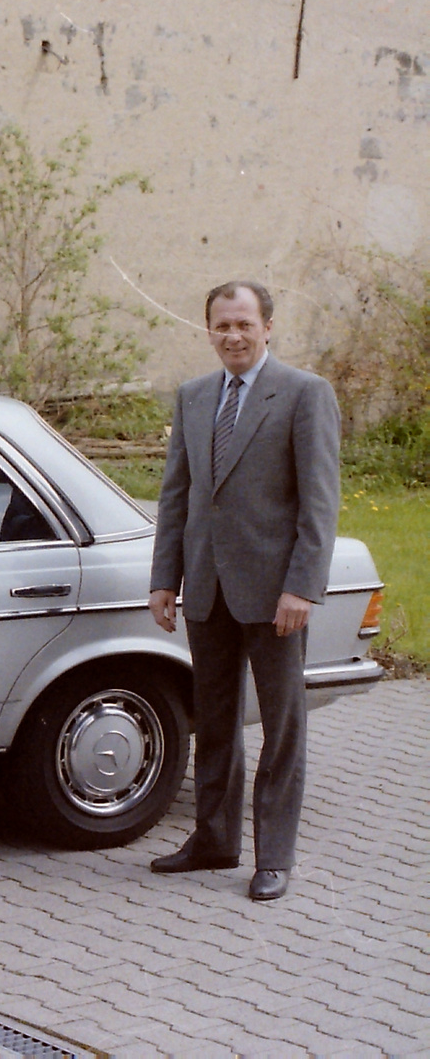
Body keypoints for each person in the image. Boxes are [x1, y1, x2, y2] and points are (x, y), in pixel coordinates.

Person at [148, 279, 341, 901]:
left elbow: (320, 503)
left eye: (242, 324)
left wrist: (302, 588)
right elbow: (176, 495)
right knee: (216, 721)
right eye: (220, 325)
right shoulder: (194, 396)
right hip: (207, 589)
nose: (232, 335)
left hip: (276, 594)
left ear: (267, 328)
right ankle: (214, 840)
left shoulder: (305, 395)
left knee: (282, 726)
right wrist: (164, 579)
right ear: (208, 330)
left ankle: (275, 856)